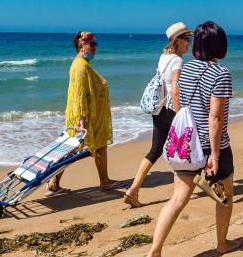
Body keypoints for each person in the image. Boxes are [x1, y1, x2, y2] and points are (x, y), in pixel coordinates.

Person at [143, 21, 241, 257]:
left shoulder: (185, 69)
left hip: (186, 144)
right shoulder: (221, 74)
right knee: (224, 195)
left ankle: (154, 252)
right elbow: (216, 118)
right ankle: (221, 243)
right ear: (220, 45)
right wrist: (216, 156)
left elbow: (178, 100)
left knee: (177, 198)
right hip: (209, 146)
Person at [124, 23, 193, 207]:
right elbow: (175, 90)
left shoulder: (164, 56)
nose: (189, 43)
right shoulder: (178, 61)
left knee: (155, 150)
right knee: (186, 148)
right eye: (186, 39)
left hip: (159, 110)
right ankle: (186, 190)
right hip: (171, 109)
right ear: (177, 41)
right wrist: (180, 116)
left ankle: (133, 189)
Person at [47, 31, 122, 192]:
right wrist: (81, 118)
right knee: (93, 147)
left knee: (72, 149)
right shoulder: (80, 67)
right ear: (82, 45)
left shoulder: (80, 63)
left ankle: (54, 182)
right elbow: (80, 94)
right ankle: (104, 181)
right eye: (92, 44)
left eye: (96, 44)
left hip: (90, 115)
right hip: (87, 117)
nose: (95, 47)